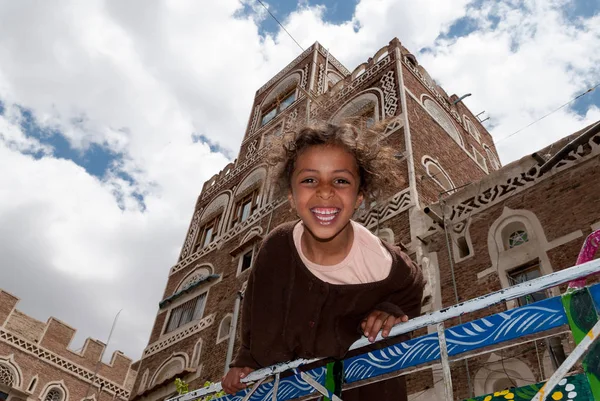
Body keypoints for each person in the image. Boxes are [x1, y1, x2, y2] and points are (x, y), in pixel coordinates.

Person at [222, 122, 425, 400]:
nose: (325, 190)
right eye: (309, 180)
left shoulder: (378, 261)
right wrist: (245, 361)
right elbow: (257, 316)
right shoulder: (277, 248)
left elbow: (413, 283)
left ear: (358, 198)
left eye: (340, 180)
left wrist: (390, 308)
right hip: (297, 389)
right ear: (292, 199)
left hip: (367, 388)